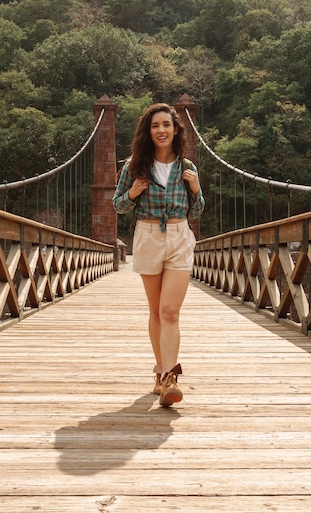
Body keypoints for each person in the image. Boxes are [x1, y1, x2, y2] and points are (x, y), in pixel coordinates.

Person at [113, 102, 205, 407]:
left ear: (175, 129)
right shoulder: (133, 166)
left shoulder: (187, 167)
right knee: (155, 312)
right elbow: (118, 205)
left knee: (169, 311)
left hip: (180, 236)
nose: (161, 130)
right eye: (155, 126)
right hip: (148, 235)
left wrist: (196, 190)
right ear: (148, 131)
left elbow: (199, 209)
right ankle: (161, 373)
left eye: (166, 124)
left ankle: (169, 378)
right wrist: (133, 193)